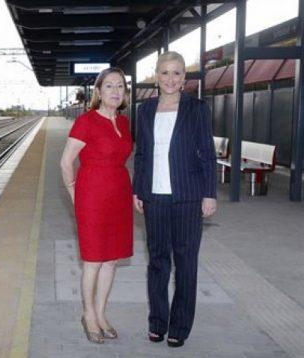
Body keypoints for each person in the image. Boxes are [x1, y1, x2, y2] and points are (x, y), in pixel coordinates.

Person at [132, 51, 217, 348]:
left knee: (185, 263)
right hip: (154, 195)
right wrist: (138, 189)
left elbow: (207, 153)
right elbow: (141, 153)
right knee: (157, 262)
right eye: (165, 72)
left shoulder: (197, 109)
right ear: (156, 75)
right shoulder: (144, 110)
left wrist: (209, 194)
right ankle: (157, 321)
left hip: (188, 196)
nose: (170, 79)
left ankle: (180, 326)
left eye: (177, 73)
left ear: (184, 78)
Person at [60, 67, 133, 344]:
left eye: (120, 87)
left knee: (111, 260)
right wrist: (74, 193)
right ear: (99, 92)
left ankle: (102, 314)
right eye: (110, 86)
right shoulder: (86, 122)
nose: (115, 91)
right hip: (91, 196)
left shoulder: (124, 123)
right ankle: (88, 314)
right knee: (93, 260)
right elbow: (66, 162)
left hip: (119, 195)